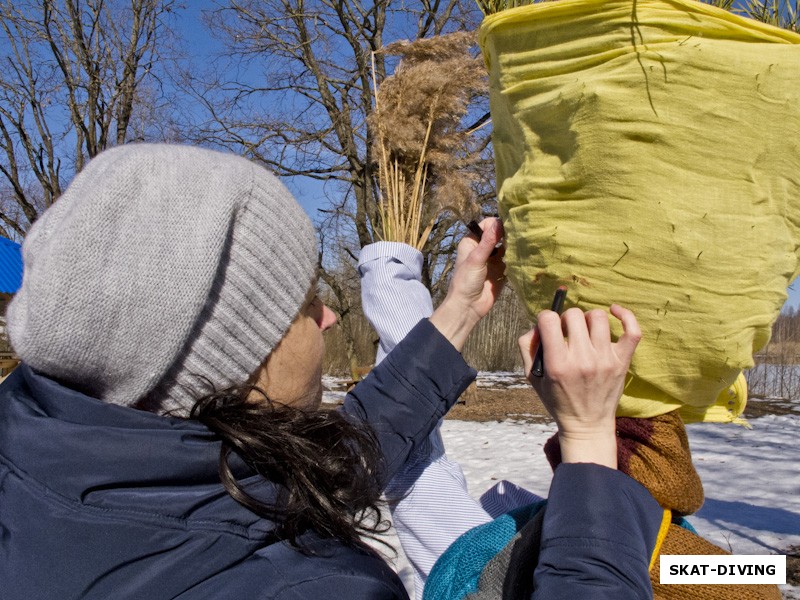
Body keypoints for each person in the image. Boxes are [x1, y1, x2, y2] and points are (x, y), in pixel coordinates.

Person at [0, 143, 658, 600]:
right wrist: (590, 446)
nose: (328, 318)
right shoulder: (304, 590)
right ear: (236, 358)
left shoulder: (46, 451)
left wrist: (456, 314)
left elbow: (314, 470)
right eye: (302, 303)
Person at [359, 234, 664, 599]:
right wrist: (587, 433)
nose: (329, 317)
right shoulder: (311, 580)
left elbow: (394, 458)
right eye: (311, 304)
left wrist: (458, 305)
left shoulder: (284, 490)